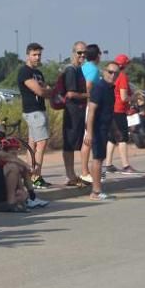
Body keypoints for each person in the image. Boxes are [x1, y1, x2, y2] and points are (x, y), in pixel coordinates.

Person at [16, 42, 53, 188]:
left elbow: (47, 89)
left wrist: (48, 91)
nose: (37, 57)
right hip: (33, 111)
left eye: (39, 55)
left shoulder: (38, 73)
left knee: (32, 145)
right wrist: (48, 91)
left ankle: (29, 176)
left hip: (40, 109)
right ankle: (36, 177)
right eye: (34, 55)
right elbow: (41, 91)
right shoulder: (25, 72)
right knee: (41, 143)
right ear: (28, 55)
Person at [84, 62, 119, 201]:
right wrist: (90, 132)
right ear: (104, 72)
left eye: (116, 73)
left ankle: (97, 190)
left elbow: (109, 112)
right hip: (97, 128)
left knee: (100, 158)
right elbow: (91, 111)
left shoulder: (110, 88)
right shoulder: (99, 88)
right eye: (110, 72)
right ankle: (96, 192)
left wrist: (115, 129)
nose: (113, 75)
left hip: (105, 127)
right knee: (97, 159)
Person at [61, 41, 89, 187]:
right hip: (72, 111)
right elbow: (71, 93)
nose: (82, 55)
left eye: (85, 52)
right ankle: (70, 175)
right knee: (69, 144)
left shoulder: (82, 69)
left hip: (80, 110)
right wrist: (89, 95)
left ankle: (77, 174)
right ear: (73, 53)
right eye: (79, 52)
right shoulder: (71, 70)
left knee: (79, 142)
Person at [105, 53, 137, 175]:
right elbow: (124, 97)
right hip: (119, 110)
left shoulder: (112, 76)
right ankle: (126, 165)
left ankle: (108, 164)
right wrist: (133, 98)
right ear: (125, 65)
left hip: (111, 109)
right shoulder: (122, 76)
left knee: (112, 138)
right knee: (123, 138)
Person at [80, 44, 104, 184]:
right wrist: (91, 100)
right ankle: (84, 171)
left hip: (86, 106)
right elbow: (88, 85)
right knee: (88, 139)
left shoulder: (84, 67)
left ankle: (86, 170)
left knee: (87, 138)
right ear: (97, 55)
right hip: (90, 106)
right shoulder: (94, 70)